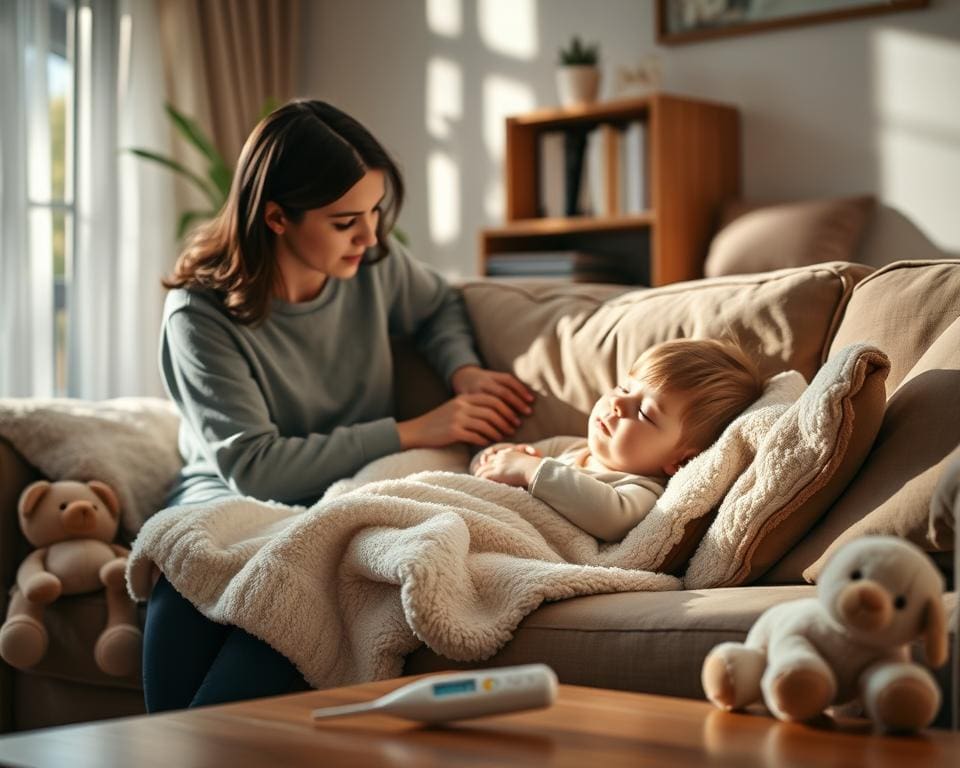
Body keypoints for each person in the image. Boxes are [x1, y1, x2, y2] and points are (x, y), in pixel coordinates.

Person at [143, 99, 533, 712]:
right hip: (231, 497)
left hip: (344, 493)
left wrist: (462, 368)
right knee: (187, 572)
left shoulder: (374, 266)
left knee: (294, 599)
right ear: (276, 217)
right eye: (345, 220)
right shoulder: (200, 316)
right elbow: (255, 467)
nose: (372, 235)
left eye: (375, 213)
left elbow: (439, 306)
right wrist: (412, 430)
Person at [471, 339, 763, 542]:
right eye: (624, 388)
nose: (618, 405)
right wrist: (498, 457)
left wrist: (530, 469)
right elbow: (483, 467)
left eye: (644, 413)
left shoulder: (641, 490)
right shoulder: (570, 447)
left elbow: (612, 519)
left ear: (681, 461)